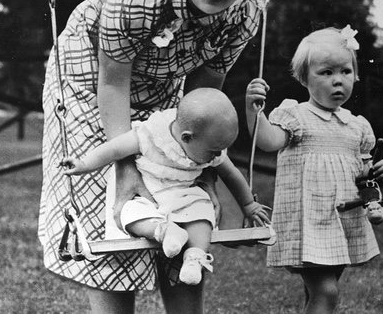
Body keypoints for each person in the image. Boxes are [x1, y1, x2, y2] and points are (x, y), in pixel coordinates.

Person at [38, 0, 268, 314]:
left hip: (166, 88)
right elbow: (113, 82)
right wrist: (125, 168)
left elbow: (205, 92)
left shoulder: (246, 10)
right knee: (117, 203)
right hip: (92, 83)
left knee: (179, 192)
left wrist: (204, 175)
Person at [244, 26, 383, 314]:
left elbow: (364, 175)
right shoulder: (296, 116)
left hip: (340, 222)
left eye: (345, 71)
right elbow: (267, 141)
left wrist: (379, 172)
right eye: (326, 73)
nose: (338, 80)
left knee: (320, 291)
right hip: (307, 223)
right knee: (326, 291)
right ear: (304, 78)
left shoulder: (357, 126)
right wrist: (254, 112)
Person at [61, 87, 270, 285]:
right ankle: (164, 231)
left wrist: (249, 204)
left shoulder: (208, 143)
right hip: (148, 195)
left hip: (185, 194)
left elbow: (231, 173)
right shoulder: (151, 134)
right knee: (130, 214)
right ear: (186, 138)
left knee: (204, 214)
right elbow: (114, 150)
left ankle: (195, 256)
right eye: (214, 152)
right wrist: (84, 164)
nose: (218, 157)